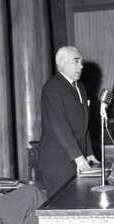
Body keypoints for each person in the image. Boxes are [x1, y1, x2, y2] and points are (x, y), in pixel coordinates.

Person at [37, 46, 99, 196]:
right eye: (76, 61)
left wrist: (89, 153)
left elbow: (83, 125)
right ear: (62, 63)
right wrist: (78, 157)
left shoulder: (80, 87)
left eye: (81, 62)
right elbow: (59, 125)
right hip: (57, 162)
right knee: (63, 206)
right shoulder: (52, 88)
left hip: (77, 158)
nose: (81, 66)